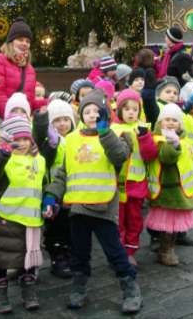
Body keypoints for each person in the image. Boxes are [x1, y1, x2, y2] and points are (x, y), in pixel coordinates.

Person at [43, 90, 143, 314]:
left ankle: (130, 288)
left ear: (105, 114)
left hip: (103, 207)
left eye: (96, 111)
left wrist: (105, 132)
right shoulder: (71, 140)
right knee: (80, 252)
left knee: (114, 252)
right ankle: (79, 287)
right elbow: (63, 174)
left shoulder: (113, 137)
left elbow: (119, 157)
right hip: (78, 207)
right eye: (86, 111)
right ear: (80, 116)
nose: (91, 115)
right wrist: (52, 194)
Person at [0, 114, 45, 313]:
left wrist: (49, 202)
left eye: (26, 138)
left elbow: (42, 184)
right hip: (6, 220)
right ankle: (0, 294)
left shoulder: (39, 160)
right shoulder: (4, 160)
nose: (22, 143)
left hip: (31, 221)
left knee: (28, 261)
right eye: (17, 139)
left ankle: (29, 291)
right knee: (1, 259)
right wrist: (3, 152)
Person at [145, 104, 193, 266]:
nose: (170, 123)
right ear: (160, 122)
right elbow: (167, 158)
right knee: (167, 224)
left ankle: (169, 246)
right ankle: (165, 250)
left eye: (174, 120)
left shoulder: (186, 141)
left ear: (180, 124)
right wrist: (173, 144)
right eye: (167, 120)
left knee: (175, 224)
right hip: (166, 190)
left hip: (181, 190)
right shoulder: (159, 141)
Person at [0, 17, 46, 158]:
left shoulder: (29, 68)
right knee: (0, 170)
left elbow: (29, 101)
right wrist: (15, 118)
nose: (24, 44)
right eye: (20, 39)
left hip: (20, 126)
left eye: (27, 41)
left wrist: (48, 103)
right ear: (11, 41)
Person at [33, 99, 75, 278]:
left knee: (70, 226)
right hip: (53, 192)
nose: (63, 123)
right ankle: (58, 257)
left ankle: (70, 253)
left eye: (66, 119)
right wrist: (52, 143)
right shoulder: (50, 141)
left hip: (73, 191)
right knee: (55, 227)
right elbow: (45, 159)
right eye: (57, 120)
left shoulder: (76, 138)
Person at [111, 89, 149, 266]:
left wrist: (145, 138)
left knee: (134, 219)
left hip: (137, 181)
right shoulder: (113, 129)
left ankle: (130, 250)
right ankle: (119, 253)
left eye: (135, 109)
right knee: (118, 220)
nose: (131, 112)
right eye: (127, 109)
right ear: (119, 111)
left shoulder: (143, 128)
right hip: (118, 184)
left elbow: (150, 154)